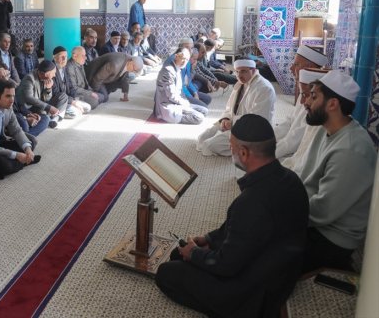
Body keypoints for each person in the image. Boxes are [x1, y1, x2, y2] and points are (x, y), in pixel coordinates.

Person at [155, 114, 309, 318]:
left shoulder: (252, 202)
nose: (231, 151)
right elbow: (244, 230)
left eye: (232, 146)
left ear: (244, 153)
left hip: (256, 289)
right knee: (179, 254)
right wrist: (210, 240)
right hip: (281, 268)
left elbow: (226, 265)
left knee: (167, 273)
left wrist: (194, 254)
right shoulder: (291, 179)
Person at [296, 70, 376, 274]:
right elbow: (306, 179)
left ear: (332, 104)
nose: (306, 102)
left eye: (313, 97)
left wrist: (284, 212)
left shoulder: (351, 149)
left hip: (331, 238)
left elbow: (323, 211)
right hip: (312, 220)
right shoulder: (326, 130)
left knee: (264, 255)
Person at [197, 59, 275, 157]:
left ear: (253, 70)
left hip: (252, 132)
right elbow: (229, 107)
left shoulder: (264, 89)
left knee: (209, 145)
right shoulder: (240, 83)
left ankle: (251, 150)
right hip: (234, 122)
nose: (239, 75)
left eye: (243, 71)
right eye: (237, 71)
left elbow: (258, 121)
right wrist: (225, 118)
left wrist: (233, 123)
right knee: (202, 138)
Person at [274, 46, 328, 159]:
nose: (291, 68)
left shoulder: (318, 102)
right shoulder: (304, 92)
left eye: (296, 64)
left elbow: (295, 140)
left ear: (309, 67)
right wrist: (267, 137)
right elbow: (290, 122)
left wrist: (266, 153)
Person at [0, 65, 50, 138]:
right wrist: (25, 119)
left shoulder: (7, 87)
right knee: (23, 124)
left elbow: (19, 104)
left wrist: (29, 114)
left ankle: (24, 137)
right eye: (1, 77)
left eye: (6, 76)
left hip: (17, 115)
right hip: (6, 121)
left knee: (45, 118)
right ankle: (24, 137)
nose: (5, 79)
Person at [153, 48, 207, 124]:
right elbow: (171, 96)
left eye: (187, 59)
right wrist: (185, 103)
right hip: (168, 107)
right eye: (183, 58)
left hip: (177, 104)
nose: (184, 62)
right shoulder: (168, 71)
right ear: (176, 56)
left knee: (204, 110)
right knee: (199, 117)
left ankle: (185, 111)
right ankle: (173, 117)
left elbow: (181, 90)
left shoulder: (178, 68)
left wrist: (185, 102)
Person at [16, 59, 68, 128]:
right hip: (29, 107)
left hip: (40, 104)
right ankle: (49, 118)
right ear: (46, 74)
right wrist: (48, 107)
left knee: (63, 96)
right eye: (53, 73)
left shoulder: (46, 78)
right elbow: (28, 97)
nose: (54, 75)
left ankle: (54, 118)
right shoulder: (29, 78)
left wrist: (48, 89)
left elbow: (46, 99)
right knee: (44, 112)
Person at [52, 46, 91, 118]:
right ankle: (58, 112)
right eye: (61, 57)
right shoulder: (51, 70)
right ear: (54, 58)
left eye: (66, 56)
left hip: (68, 99)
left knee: (87, 107)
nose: (64, 59)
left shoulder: (64, 68)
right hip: (57, 101)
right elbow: (56, 93)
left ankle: (65, 110)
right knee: (76, 112)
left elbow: (70, 87)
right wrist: (72, 102)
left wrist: (75, 100)